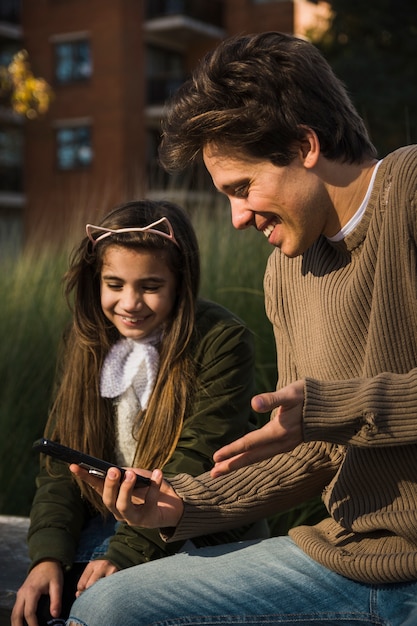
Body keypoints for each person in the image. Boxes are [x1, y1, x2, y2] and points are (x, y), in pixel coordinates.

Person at [66, 31, 417, 626]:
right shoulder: (284, 273)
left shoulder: (408, 189)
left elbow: (329, 412)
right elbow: (317, 450)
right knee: (109, 607)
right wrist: (182, 504)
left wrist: (331, 406)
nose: (235, 218)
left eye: (242, 188)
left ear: (305, 145)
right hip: (346, 561)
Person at [12, 199, 265, 626]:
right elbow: (61, 470)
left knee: (107, 609)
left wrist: (126, 554)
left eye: (150, 286)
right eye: (114, 284)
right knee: (43, 604)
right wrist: (48, 555)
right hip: (110, 520)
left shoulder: (221, 341)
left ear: (180, 282)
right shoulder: (86, 340)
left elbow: (197, 458)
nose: (129, 303)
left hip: (198, 529)